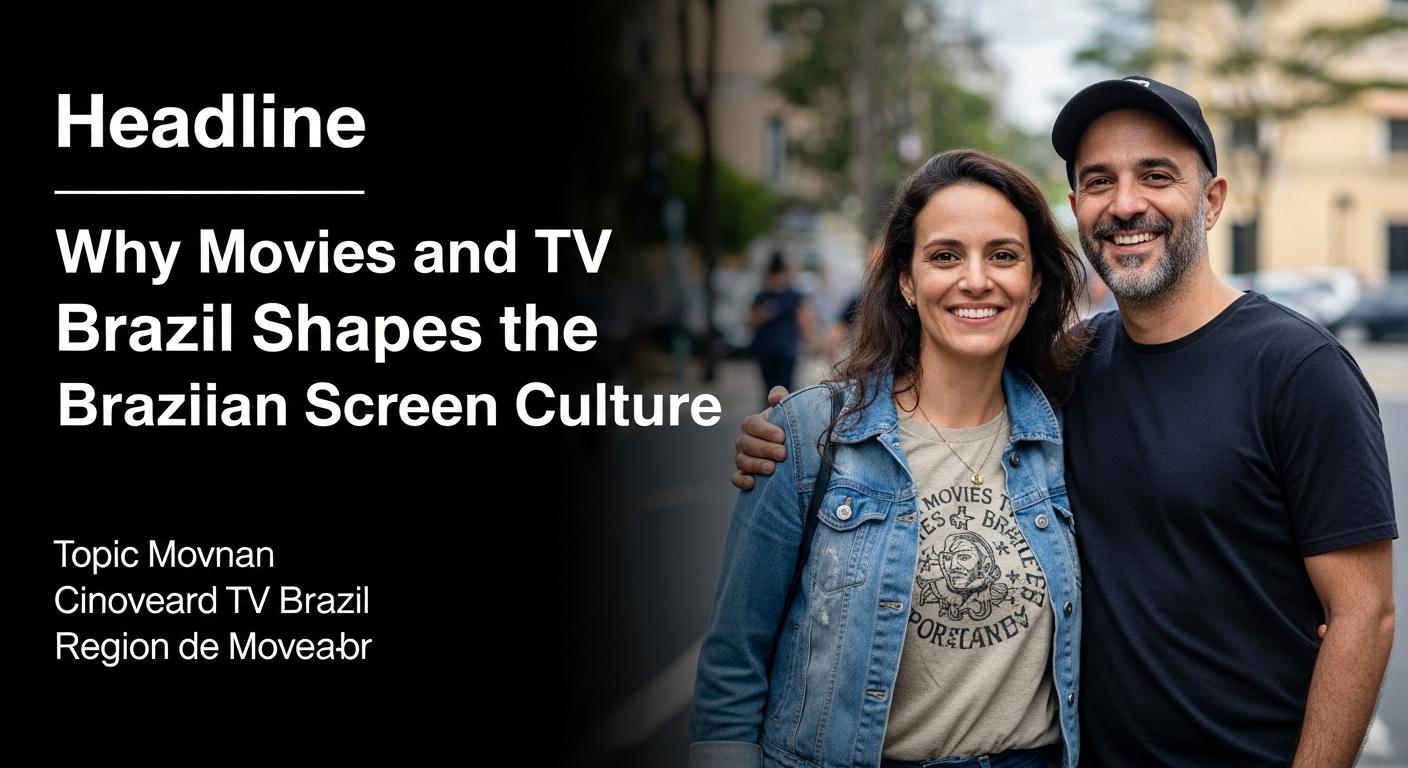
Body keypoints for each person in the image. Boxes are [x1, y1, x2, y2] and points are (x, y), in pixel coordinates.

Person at [730, 77, 1397, 767]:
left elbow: (1365, 617)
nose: (1126, 203)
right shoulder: (1066, 370)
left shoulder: (1300, 370)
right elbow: (941, 381)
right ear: (1077, 207)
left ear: (1213, 198)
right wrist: (796, 431)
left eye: (1157, 175)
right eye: (1100, 181)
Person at [691, 149, 1089, 768]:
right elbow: (732, 665)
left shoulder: (1071, 433)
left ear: (1035, 282)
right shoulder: (811, 435)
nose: (976, 279)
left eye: (1004, 255)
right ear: (906, 279)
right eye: (945, 255)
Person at [748, 252, 815, 398]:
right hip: (777, 349)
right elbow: (804, 320)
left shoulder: (766, 295)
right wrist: (809, 341)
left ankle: (773, 416)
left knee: (774, 389)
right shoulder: (788, 295)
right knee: (781, 390)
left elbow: (750, 321)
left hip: (775, 350)